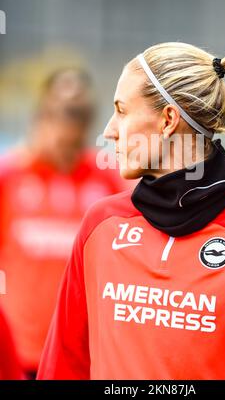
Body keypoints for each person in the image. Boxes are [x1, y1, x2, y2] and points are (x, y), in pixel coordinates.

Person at [37, 43, 225, 380]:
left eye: (121, 110)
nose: (109, 130)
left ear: (167, 120)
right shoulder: (100, 225)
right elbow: (63, 367)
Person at [0, 67, 131, 377]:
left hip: (78, 355)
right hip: (16, 353)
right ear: (41, 114)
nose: (69, 126)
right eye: (61, 112)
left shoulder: (108, 180)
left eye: (79, 114)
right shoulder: (10, 176)